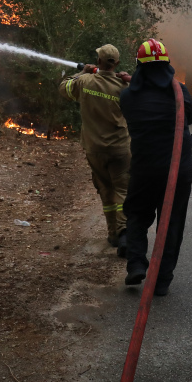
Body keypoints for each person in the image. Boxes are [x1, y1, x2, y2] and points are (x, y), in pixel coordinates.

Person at [119, 39, 192, 296]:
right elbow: (190, 115)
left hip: (145, 169)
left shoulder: (128, 96)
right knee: (172, 222)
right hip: (177, 171)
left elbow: (142, 94)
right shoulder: (180, 92)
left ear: (139, 67)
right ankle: (161, 281)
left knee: (137, 214)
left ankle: (136, 264)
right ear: (168, 65)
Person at [58, 44, 132, 256]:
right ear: (116, 64)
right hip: (119, 149)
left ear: (97, 61)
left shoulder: (85, 81)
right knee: (122, 190)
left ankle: (113, 235)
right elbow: (143, 95)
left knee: (105, 189)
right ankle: (124, 232)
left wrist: (81, 72)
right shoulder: (123, 87)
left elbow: (64, 88)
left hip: (94, 149)